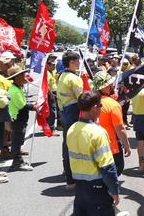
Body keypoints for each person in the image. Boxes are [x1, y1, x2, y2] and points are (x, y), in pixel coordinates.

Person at [67, 91, 120, 216]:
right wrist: (114, 191)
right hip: (98, 188)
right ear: (95, 107)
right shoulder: (98, 133)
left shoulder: (72, 129)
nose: (101, 109)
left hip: (80, 187)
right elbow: (107, 167)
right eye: (100, 105)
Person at [93, 71, 131, 175]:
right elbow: (120, 128)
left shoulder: (88, 102)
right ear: (104, 87)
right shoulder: (112, 104)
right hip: (110, 146)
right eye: (110, 84)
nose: (112, 86)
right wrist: (126, 145)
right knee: (115, 171)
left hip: (92, 145)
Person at [58, 50, 84, 190]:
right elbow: (82, 99)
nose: (79, 63)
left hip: (64, 113)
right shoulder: (74, 78)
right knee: (74, 146)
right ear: (72, 62)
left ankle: (68, 175)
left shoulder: (62, 76)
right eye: (78, 61)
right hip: (74, 113)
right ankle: (73, 179)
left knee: (67, 145)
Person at [6, 66, 36, 171]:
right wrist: (33, 106)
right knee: (17, 141)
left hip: (20, 118)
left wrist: (32, 104)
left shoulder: (18, 87)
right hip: (17, 118)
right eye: (22, 75)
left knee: (18, 140)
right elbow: (22, 105)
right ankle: (17, 163)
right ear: (17, 77)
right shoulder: (14, 90)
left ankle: (19, 161)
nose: (25, 77)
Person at [46, 55, 62, 135]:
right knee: (52, 111)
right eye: (52, 65)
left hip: (55, 91)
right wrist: (51, 94)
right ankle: (51, 129)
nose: (54, 66)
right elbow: (46, 85)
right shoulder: (47, 73)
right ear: (48, 65)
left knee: (55, 109)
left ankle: (52, 127)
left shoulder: (52, 72)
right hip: (51, 93)